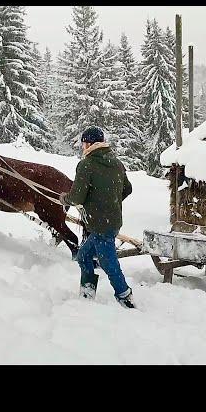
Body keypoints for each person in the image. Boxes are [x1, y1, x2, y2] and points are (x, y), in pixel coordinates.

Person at [59, 126, 136, 309]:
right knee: (83, 256)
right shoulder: (117, 163)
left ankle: (124, 295)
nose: (83, 147)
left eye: (84, 143)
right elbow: (128, 189)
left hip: (99, 224)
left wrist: (64, 198)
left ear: (90, 144)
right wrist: (111, 201)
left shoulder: (86, 165)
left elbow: (76, 198)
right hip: (112, 221)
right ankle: (87, 292)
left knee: (108, 263)